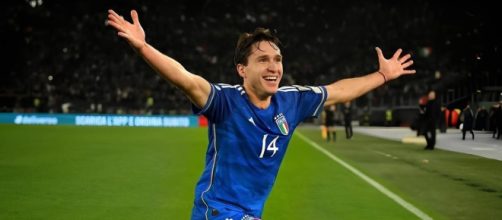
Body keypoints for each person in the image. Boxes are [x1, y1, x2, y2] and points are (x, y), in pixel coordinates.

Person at [106, 9, 415, 220]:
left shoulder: (292, 101)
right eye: (263, 60)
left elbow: (339, 90)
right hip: (218, 212)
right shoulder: (225, 101)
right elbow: (185, 79)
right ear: (242, 69)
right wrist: (143, 48)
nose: (273, 67)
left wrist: (382, 76)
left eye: (277, 59)